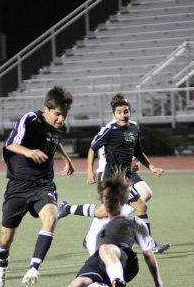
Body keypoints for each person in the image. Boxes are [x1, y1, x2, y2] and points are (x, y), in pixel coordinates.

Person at [30, 169, 175, 287]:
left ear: (123, 200)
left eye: (113, 199)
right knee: (77, 284)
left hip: (125, 261)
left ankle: (119, 284)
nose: (109, 202)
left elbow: (148, 254)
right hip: (99, 261)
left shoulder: (134, 223)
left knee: (106, 249)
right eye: (106, 199)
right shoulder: (98, 219)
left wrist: (158, 284)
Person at [58, 92, 170, 254]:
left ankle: (68, 209)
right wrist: (89, 171)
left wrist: (151, 167)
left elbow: (138, 151)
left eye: (126, 111)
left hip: (125, 175)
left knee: (104, 211)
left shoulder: (134, 128)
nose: (123, 115)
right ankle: (148, 245)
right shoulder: (109, 130)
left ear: (130, 112)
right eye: (119, 112)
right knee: (138, 206)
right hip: (112, 178)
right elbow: (92, 148)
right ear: (113, 114)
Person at [0, 85, 75, 287]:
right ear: (46, 108)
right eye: (57, 114)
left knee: (51, 216)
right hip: (18, 185)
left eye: (64, 115)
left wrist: (66, 159)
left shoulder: (57, 127)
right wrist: (29, 152)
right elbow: (11, 144)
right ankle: (2, 262)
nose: (61, 120)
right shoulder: (30, 119)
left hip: (43, 184)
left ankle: (33, 267)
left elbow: (54, 141)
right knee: (5, 239)